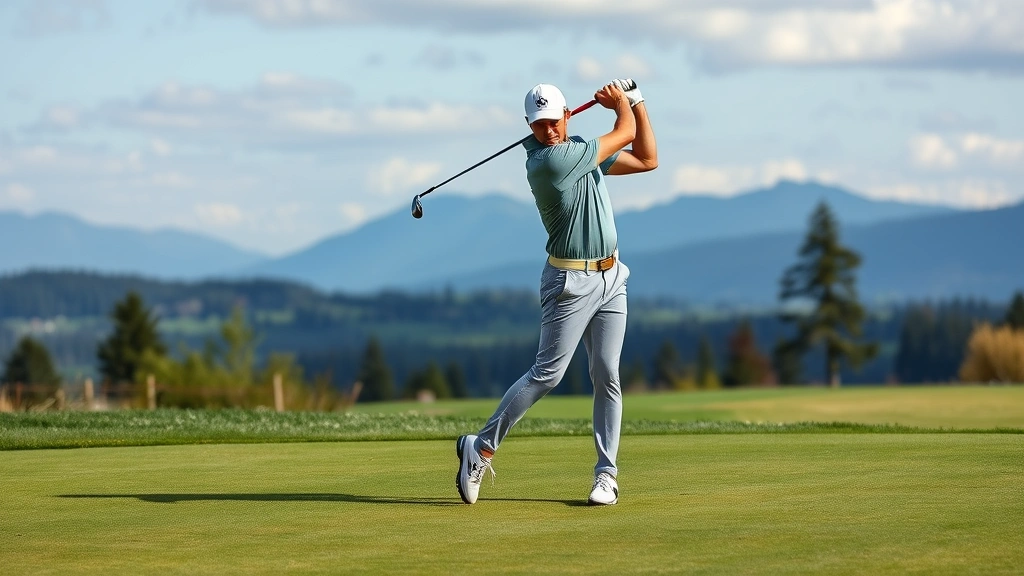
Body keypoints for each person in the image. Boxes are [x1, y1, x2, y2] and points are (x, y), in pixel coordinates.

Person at [455, 79, 658, 505]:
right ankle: (481, 447)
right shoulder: (550, 162)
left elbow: (647, 159)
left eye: (553, 121)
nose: (547, 130)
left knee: (607, 373)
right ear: (529, 126)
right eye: (538, 124)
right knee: (547, 374)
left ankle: (607, 475)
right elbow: (624, 132)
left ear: (567, 116)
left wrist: (637, 102)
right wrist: (621, 103)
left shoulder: (581, 150)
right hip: (569, 284)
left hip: (611, 278)